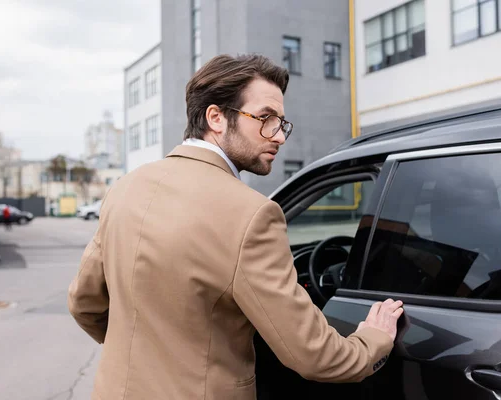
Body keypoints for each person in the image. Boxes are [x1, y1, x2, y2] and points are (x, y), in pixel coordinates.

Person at [68, 54, 404, 400]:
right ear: (215, 117)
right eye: (264, 118)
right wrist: (372, 339)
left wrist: (147, 349)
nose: (279, 136)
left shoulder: (125, 188)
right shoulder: (252, 215)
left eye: (281, 123)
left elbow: (84, 304)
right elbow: (316, 356)